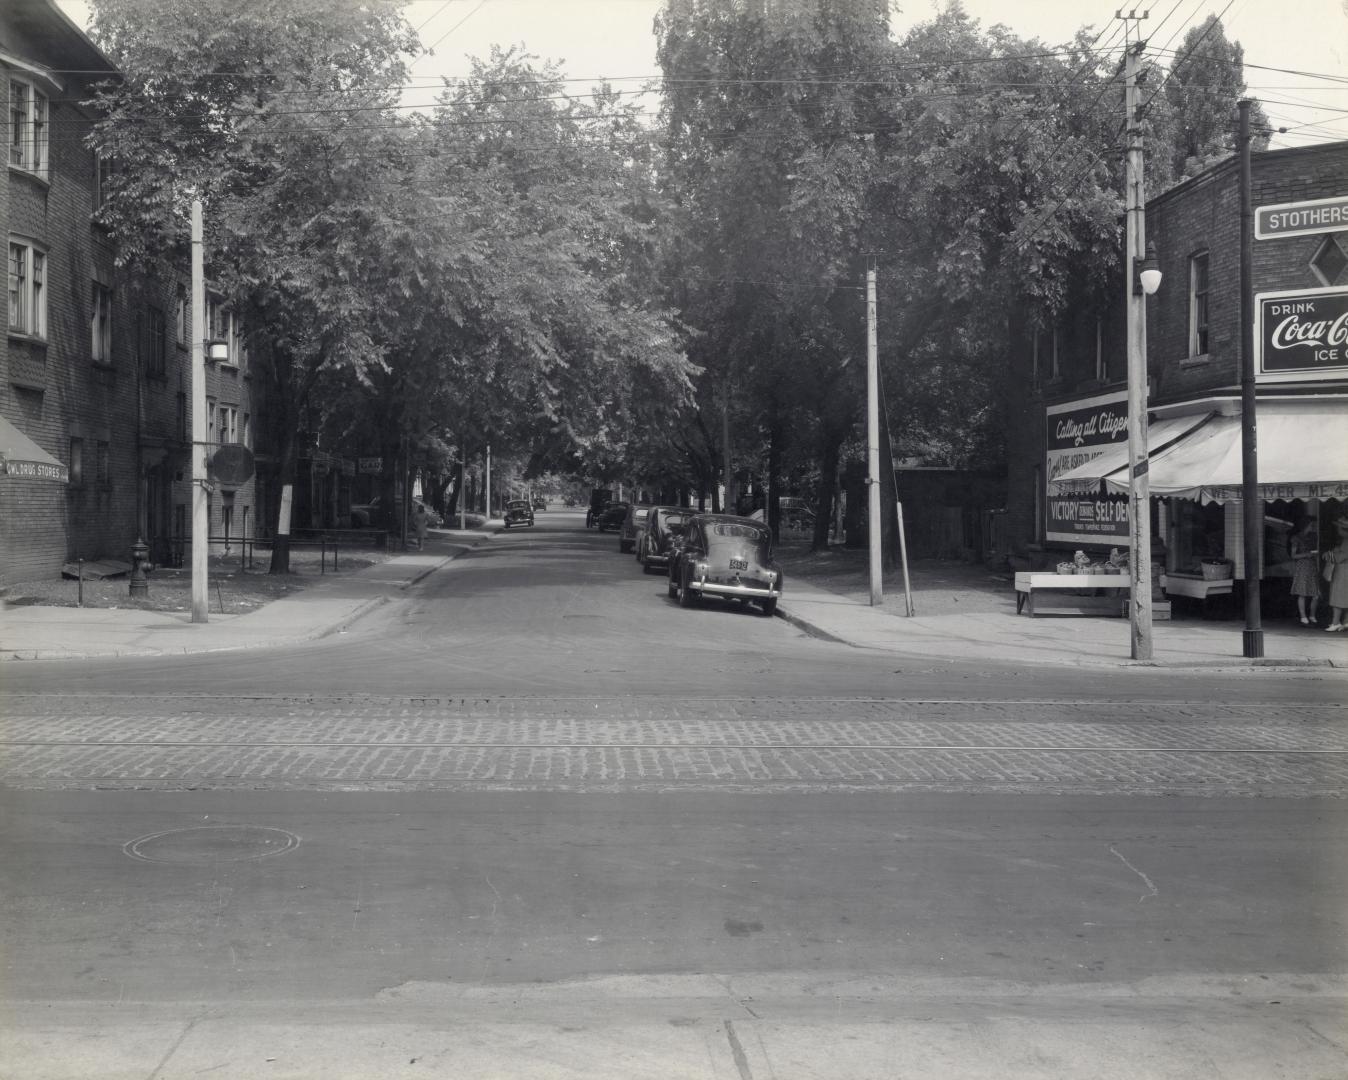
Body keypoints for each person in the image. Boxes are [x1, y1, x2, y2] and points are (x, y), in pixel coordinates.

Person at [1289, 518, 1320, 626]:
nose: (1314, 527)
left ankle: (1312, 615)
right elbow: (1293, 555)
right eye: (1312, 525)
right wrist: (1307, 554)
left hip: (1312, 565)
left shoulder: (1313, 536)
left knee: (1315, 593)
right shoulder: (1296, 538)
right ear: (1305, 525)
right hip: (1302, 566)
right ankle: (1303, 616)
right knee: (1302, 592)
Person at [1322, 514, 1348, 632]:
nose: (1337, 530)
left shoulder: (1346, 541)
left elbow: (1339, 558)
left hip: (1343, 571)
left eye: (1338, 528)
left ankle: (1335, 622)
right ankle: (1346, 622)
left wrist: (1328, 554)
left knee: (1337, 597)